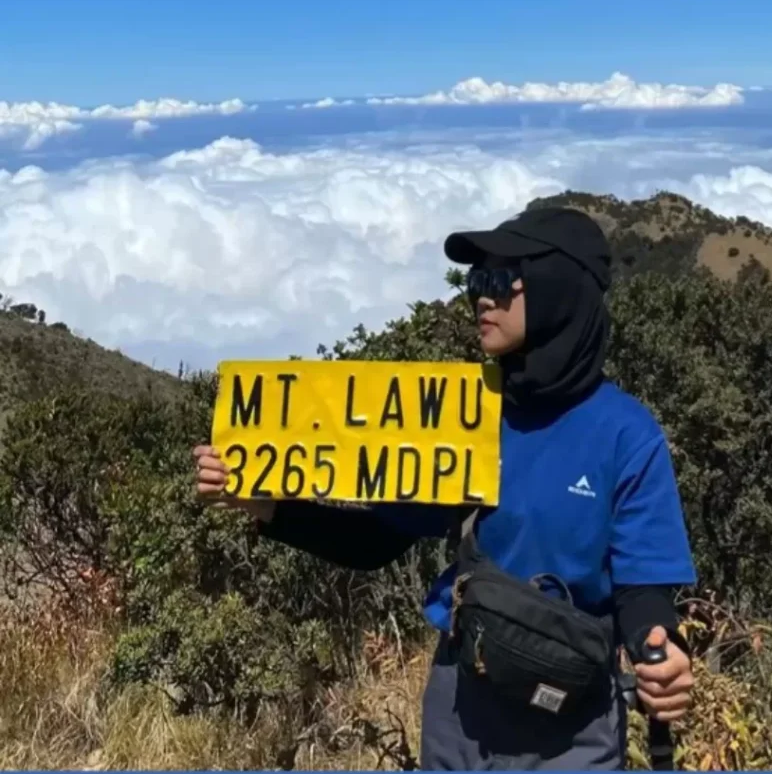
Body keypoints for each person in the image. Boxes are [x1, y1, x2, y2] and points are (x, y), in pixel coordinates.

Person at [193, 205, 697, 770]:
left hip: (571, 727)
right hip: (461, 713)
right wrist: (261, 504)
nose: (481, 297)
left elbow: (642, 590)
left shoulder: (626, 434)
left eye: (499, 280)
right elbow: (374, 543)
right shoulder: (465, 415)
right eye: (475, 282)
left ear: (559, 289)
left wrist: (662, 646)